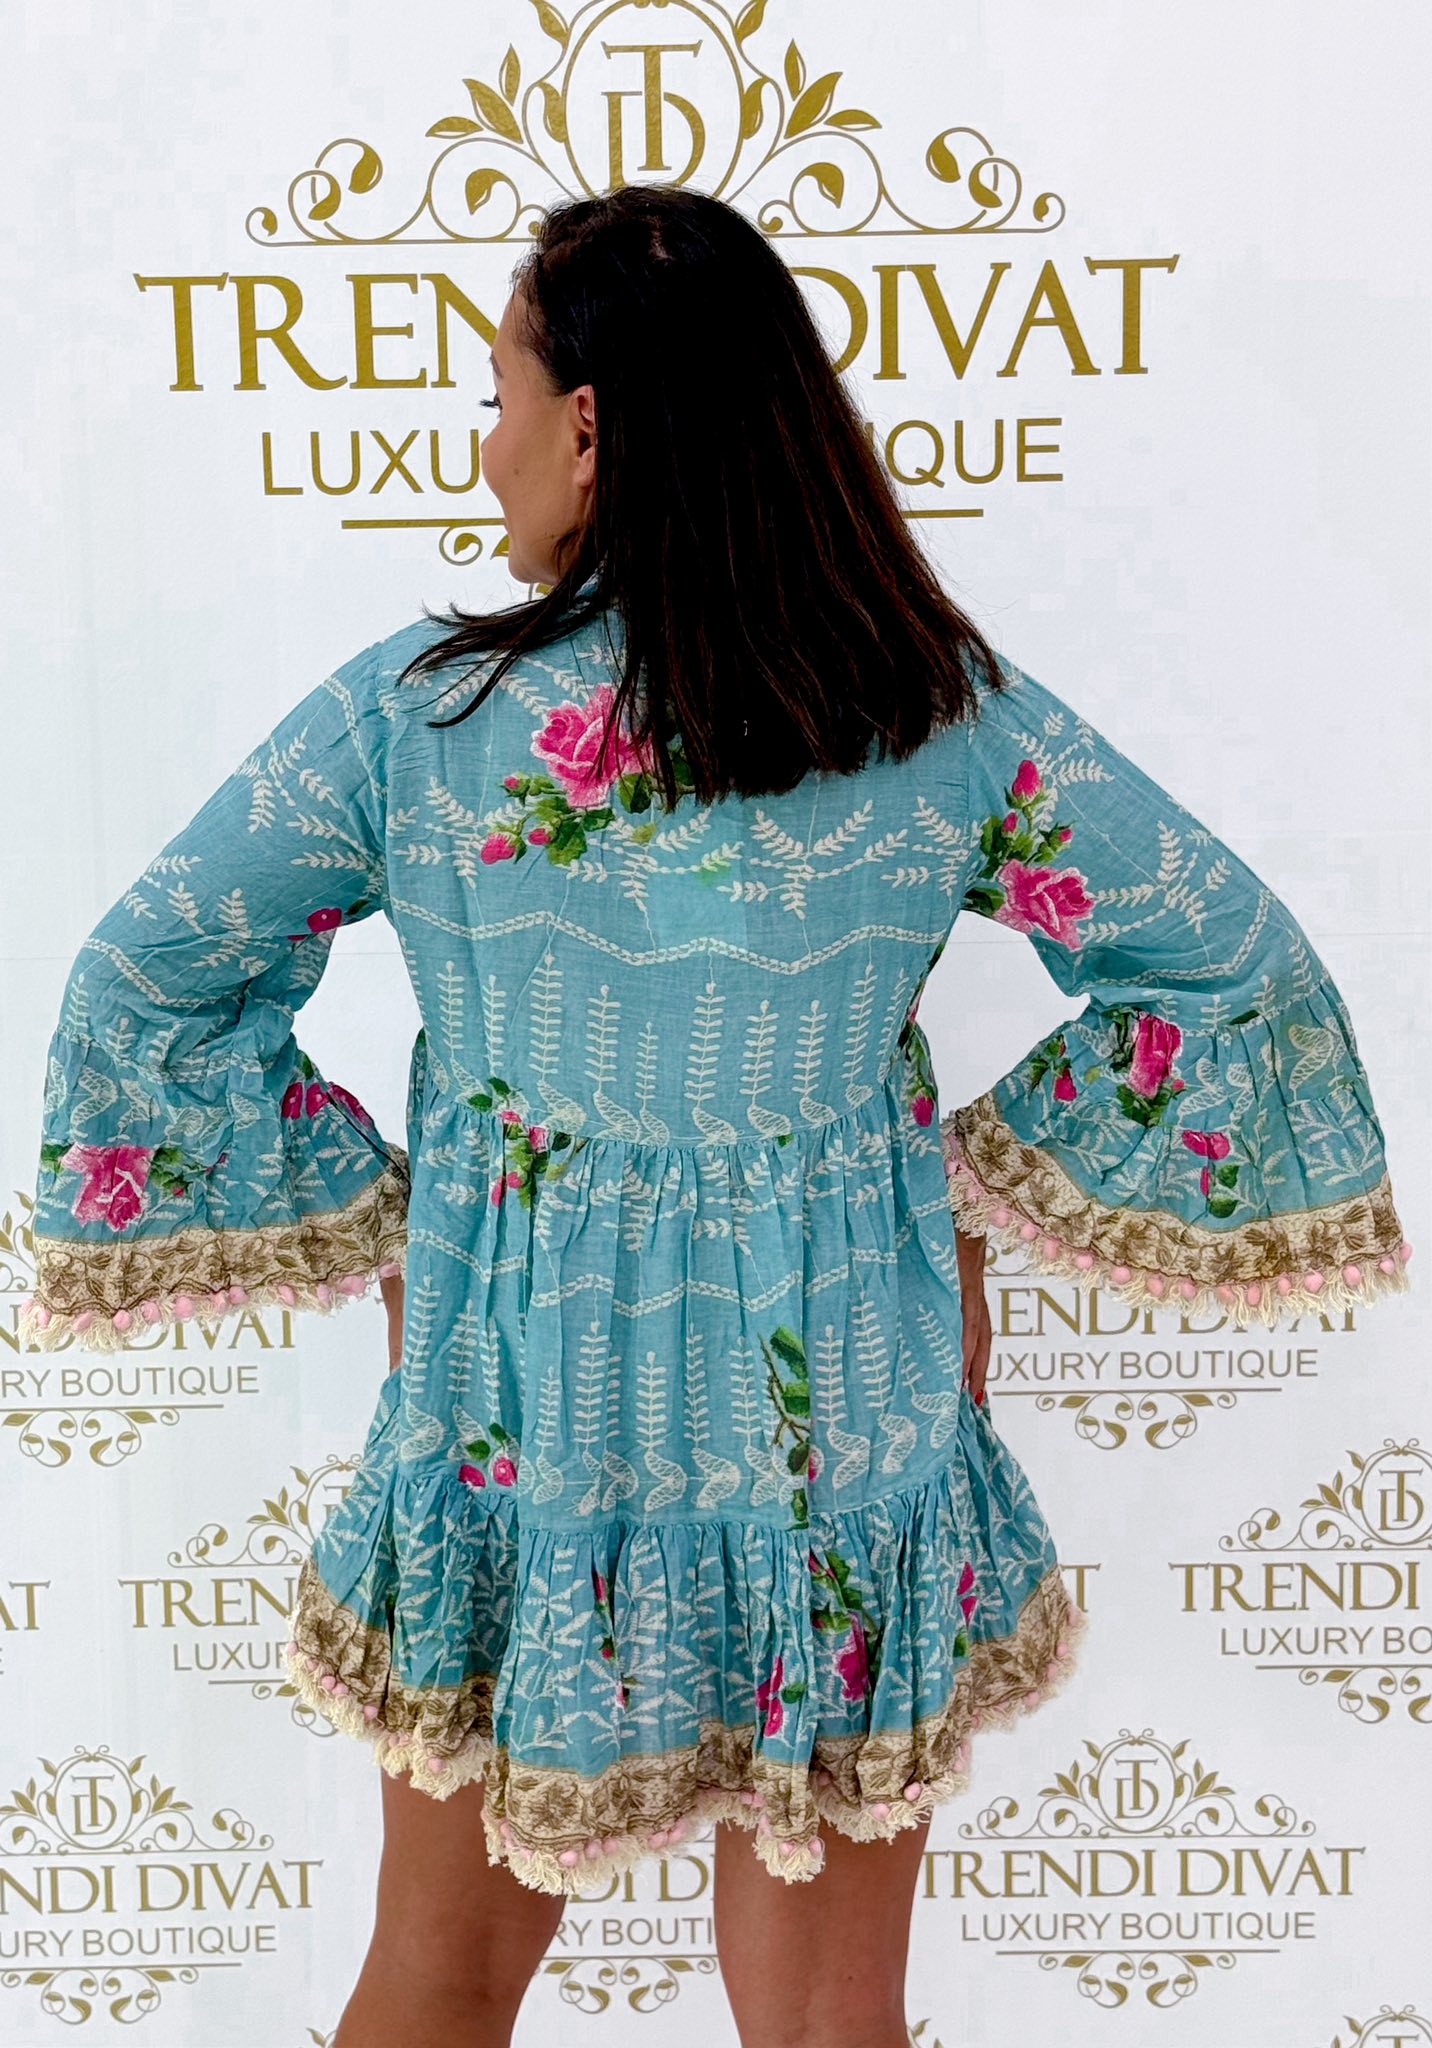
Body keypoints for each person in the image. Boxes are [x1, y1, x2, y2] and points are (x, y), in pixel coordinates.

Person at [19, 182, 1409, 2048]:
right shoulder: (929, 714)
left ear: (590, 426)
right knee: (831, 2025)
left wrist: (391, 1225)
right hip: (844, 1417)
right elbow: (1234, 970)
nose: (488, 443)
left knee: (436, 1982)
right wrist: (955, 1208)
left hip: (519, 1416)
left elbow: (143, 979)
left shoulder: (419, 724)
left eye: (502, 395)